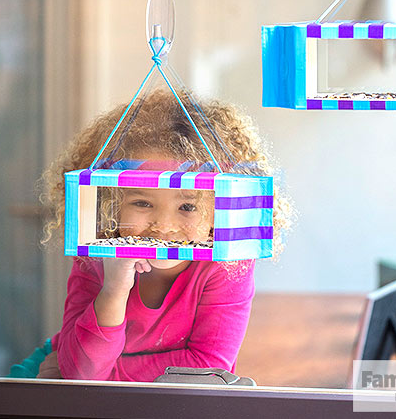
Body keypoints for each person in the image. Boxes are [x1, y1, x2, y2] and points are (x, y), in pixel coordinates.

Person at [28, 89, 291, 382]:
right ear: (111, 202)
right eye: (142, 203)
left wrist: (105, 376)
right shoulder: (97, 256)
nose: (164, 226)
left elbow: (206, 368)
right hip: (66, 369)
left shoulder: (227, 265)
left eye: (187, 206)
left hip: (120, 389)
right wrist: (113, 289)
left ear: (219, 210)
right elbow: (81, 371)